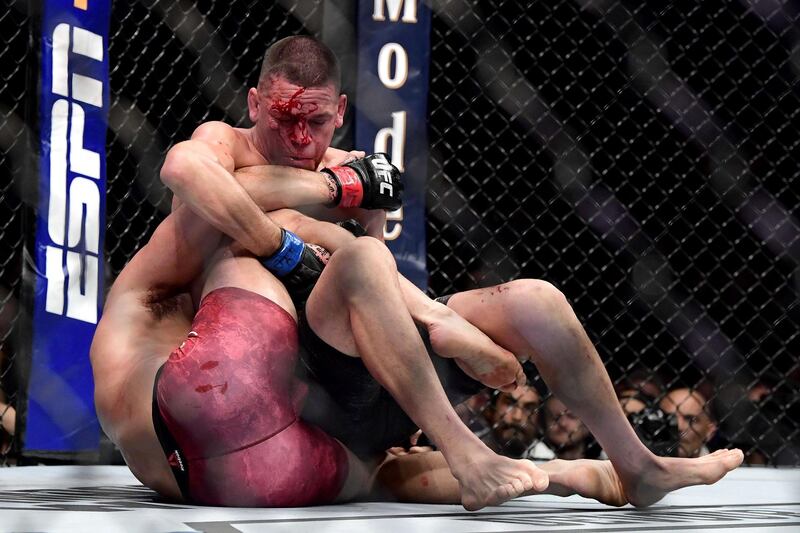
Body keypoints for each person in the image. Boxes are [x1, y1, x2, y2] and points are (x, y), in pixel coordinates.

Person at [151, 34, 743, 508]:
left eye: (317, 122)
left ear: (340, 112)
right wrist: (334, 188)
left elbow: (368, 267)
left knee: (533, 298)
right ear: (254, 103)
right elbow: (194, 174)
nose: (300, 138)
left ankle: (636, 463)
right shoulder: (230, 147)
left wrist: (415, 307)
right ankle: (469, 451)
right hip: (303, 380)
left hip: (374, 361)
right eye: (283, 121)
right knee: (355, 255)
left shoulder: (359, 170)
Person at [660, 388, 717, 458]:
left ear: (710, 431)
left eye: (691, 420)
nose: (679, 426)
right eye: (669, 418)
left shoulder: (724, 467)